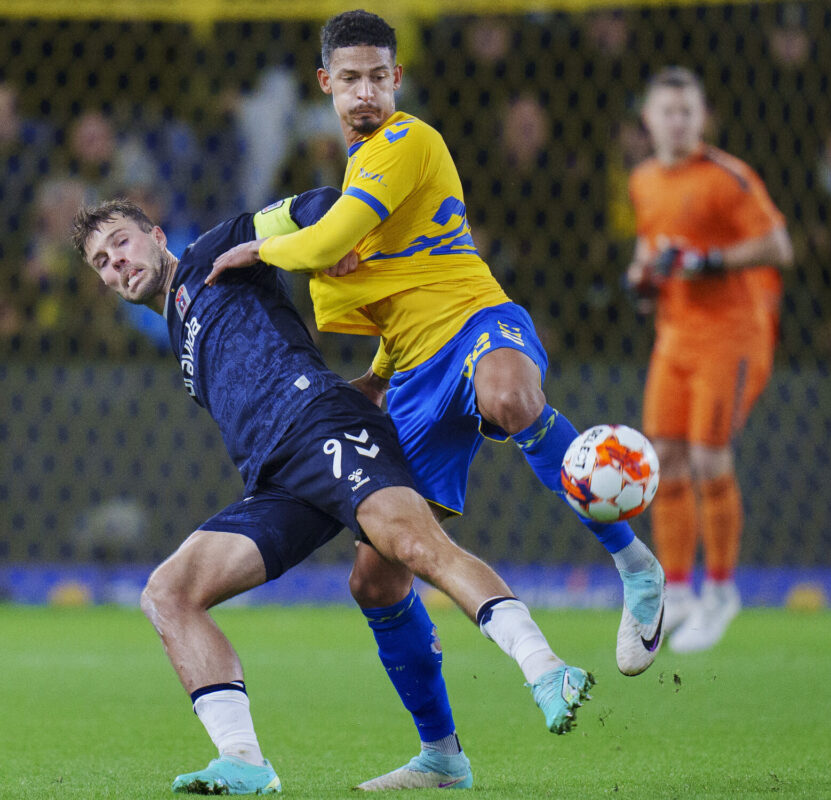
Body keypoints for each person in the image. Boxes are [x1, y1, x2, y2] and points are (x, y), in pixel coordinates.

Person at [72, 192, 595, 795]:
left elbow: (316, 204)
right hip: (275, 477)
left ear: (156, 235)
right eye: (102, 263)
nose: (117, 263)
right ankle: (245, 759)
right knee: (169, 594)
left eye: (122, 244)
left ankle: (545, 667)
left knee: (412, 545)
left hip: (318, 421)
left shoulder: (213, 251)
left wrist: (336, 239)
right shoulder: (177, 322)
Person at [208, 9, 666, 678]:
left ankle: (636, 566)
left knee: (511, 398)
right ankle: (441, 756)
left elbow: (326, 242)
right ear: (325, 84)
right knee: (377, 578)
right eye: (349, 79)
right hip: (416, 373)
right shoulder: (351, 190)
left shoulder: (406, 142)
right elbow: (394, 298)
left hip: (477, 320)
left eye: (376, 78)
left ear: (396, 78)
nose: (364, 93)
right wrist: (379, 373)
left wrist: (261, 250)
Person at [624, 67, 794, 653]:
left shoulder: (728, 177)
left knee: (707, 457)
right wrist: (643, 274)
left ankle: (721, 591)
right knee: (664, 459)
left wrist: (708, 261)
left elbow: (778, 245)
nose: (677, 121)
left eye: (687, 112)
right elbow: (652, 244)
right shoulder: (643, 179)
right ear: (647, 119)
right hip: (675, 337)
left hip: (733, 335)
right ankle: (680, 594)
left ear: (702, 119)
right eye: (666, 112)